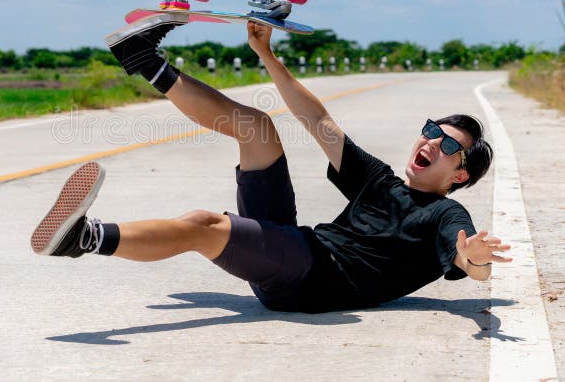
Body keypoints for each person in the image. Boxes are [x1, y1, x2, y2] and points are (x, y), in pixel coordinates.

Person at [30, 17, 513, 313]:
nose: (430, 143)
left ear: (460, 175)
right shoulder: (380, 181)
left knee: (203, 225)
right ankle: (145, 60)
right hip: (296, 247)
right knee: (257, 127)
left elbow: (469, 261)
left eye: (447, 146)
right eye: (430, 130)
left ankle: (84, 239)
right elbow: (316, 119)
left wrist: (476, 260)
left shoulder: (445, 217)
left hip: (308, 281)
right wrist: (266, 53)